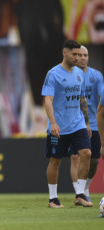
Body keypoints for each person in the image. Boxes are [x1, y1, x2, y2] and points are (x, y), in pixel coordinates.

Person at [41, 39, 92, 208]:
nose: (78, 58)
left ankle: (80, 194)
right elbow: (48, 100)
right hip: (59, 127)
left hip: (77, 124)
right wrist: (53, 123)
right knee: (55, 160)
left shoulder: (79, 74)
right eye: (75, 54)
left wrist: (87, 123)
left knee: (86, 154)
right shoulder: (53, 74)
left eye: (80, 54)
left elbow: (82, 99)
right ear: (65, 53)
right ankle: (53, 198)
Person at [69, 46, 104, 202]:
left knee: (94, 160)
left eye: (85, 55)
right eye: (79, 55)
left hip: (94, 125)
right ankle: (79, 193)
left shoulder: (96, 76)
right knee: (76, 158)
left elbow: (101, 94)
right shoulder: (67, 75)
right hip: (73, 124)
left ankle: (84, 187)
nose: (83, 58)